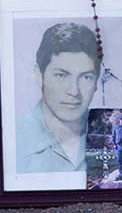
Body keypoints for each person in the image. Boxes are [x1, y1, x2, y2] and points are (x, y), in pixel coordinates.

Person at [12, 22, 100, 177]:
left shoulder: (106, 133)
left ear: (96, 82)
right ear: (39, 76)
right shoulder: (13, 139)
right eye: (61, 75)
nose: (74, 91)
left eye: (86, 77)